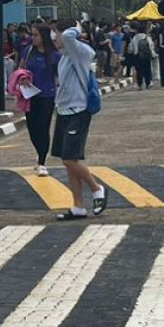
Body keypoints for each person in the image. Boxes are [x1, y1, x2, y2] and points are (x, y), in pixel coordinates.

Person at [52, 23, 105, 220]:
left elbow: (67, 35)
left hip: (78, 111)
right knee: (69, 162)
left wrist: (77, 27)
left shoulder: (79, 51)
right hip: (64, 111)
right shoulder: (66, 55)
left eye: (54, 34)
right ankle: (78, 206)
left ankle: (97, 188)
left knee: (69, 159)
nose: (54, 39)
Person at [14, 20, 58, 175]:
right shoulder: (28, 51)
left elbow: (61, 74)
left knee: (43, 127)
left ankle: (42, 161)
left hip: (47, 96)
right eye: (32, 35)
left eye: (36, 35)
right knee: (32, 128)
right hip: (30, 95)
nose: (33, 38)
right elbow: (20, 68)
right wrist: (22, 78)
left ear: (44, 36)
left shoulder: (54, 54)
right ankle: (39, 153)